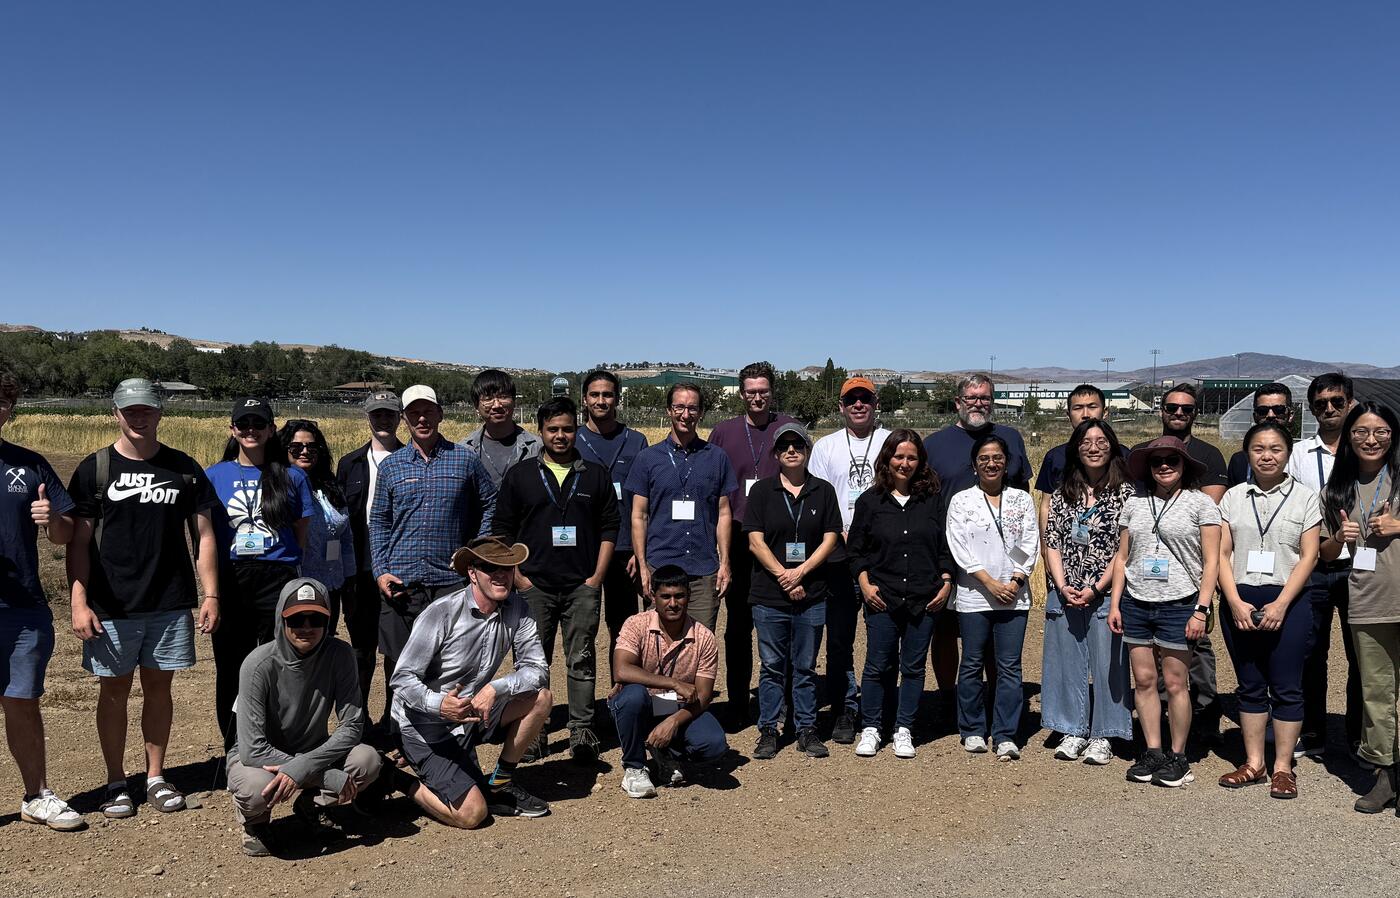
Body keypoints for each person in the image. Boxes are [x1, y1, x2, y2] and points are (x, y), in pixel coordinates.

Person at [66, 378, 221, 817]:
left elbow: (204, 536)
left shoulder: (183, 468)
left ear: (160, 412)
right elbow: (77, 543)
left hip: (168, 602)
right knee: (112, 693)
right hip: (111, 605)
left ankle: (155, 776)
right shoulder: (95, 469)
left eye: (147, 409)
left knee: (159, 690)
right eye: (130, 410)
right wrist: (79, 601)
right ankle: (117, 781)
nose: (139, 417)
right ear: (115, 413)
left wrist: (210, 594)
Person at [388, 537, 553, 827]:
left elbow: (537, 669)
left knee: (541, 698)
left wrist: (494, 688)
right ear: (473, 573)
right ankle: (395, 778)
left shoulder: (518, 608)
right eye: (490, 568)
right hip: (423, 726)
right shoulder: (442, 612)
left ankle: (500, 783)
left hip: (470, 715)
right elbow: (402, 679)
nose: (501, 575)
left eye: (507, 568)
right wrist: (441, 706)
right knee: (473, 814)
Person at [493, 396, 619, 763]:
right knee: (533, 663)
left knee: (581, 658)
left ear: (576, 429)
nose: (561, 436)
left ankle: (582, 730)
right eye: (553, 429)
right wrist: (519, 579)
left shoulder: (594, 475)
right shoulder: (520, 476)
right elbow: (502, 532)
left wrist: (596, 577)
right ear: (541, 431)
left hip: (581, 585)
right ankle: (535, 732)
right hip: (535, 587)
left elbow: (610, 527)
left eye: (567, 429)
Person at [370, 384, 497, 743]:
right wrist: (380, 570)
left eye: (428, 412)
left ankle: (446, 732)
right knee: (399, 662)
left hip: (448, 579)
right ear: (404, 419)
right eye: (414, 414)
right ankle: (400, 733)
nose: (422, 419)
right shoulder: (393, 466)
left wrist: (475, 551)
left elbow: (489, 502)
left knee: (448, 661)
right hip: (402, 580)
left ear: (440, 414)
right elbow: (378, 520)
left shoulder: (465, 459)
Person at [227, 578, 382, 857]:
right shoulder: (257, 664)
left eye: (316, 619)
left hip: (312, 747)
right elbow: (252, 749)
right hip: (260, 760)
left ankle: (313, 805)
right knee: (255, 788)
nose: (307, 627)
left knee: (366, 760)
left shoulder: (340, 654)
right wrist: (324, 774)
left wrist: (304, 768)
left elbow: (352, 725)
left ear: (328, 620)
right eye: (297, 619)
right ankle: (255, 823)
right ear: (281, 620)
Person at [1109, 435, 1221, 789]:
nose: (1164, 466)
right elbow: (1123, 558)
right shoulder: (1134, 503)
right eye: (1157, 461)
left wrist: (1201, 609)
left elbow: (1212, 561)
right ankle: (1152, 750)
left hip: (1181, 603)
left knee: (1175, 683)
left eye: (1172, 459)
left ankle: (1178, 755)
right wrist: (1115, 602)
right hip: (1137, 601)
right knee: (1144, 681)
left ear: (1184, 464)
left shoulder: (1201, 504)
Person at [1216, 421, 1321, 799]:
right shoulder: (1232, 497)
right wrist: (1232, 601)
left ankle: (1283, 767)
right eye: (1258, 448)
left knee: (1287, 685)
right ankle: (1254, 763)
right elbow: (1221, 554)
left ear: (1287, 454)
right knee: (1250, 683)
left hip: (1289, 600)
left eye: (1275, 448)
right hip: (1239, 597)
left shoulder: (1306, 498)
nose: (1267, 455)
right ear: (1247, 453)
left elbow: (1309, 556)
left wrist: (1280, 603)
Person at [0, 372, 83, 832]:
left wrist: (50, 520)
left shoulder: (28, 465)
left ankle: (36, 795)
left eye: (3, 402)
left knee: (22, 701)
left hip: (23, 609)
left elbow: (67, 534)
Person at [206, 397, 314, 745]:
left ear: (271, 430)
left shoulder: (291, 476)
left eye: (258, 424)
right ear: (232, 429)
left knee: (277, 663)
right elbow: (204, 535)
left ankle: (273, 740)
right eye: (243, 424)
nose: (250, 430)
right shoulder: (214, 475)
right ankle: (234, 744)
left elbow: (300, 531)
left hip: (277, 577)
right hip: (233, 577)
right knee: (231, 667)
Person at [925, 374, 1033, 711]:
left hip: (998, 556)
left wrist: (1018, 561)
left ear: (993, 401)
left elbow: (1022, 500)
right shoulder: (935, 444)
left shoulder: (1010, 438)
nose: (978, 403)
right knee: (944, 630)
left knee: (989, 629)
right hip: (946, 553)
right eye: (971, 398)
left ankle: (990, 698)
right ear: (958, 402)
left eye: (984, 397)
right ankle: (947, 700)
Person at [848, 430, 955, 759]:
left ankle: (904, 728)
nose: (904, 463)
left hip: (925, 597)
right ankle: (871, 727)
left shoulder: (932, 500)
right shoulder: (870, 501)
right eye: (898, 456)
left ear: (920, 462)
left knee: (913, 666)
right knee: (878, 665)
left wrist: (947, 582)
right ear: (887, 459)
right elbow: (856, 551)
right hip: (882, 596)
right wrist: (864, 585)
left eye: (911, 457)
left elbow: (944, 548)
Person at [1134, 383, 1229, 745]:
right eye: (1172, 407)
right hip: (1148, 575)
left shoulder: (1210, 456)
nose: (1178, 414)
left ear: (1195, 414)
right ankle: (1160, 716)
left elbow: (1205, 513)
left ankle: (1203, 712)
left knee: (1197, 646)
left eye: (1186, 409)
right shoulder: (1146, 453)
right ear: (1161, 410)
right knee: (1152, 651)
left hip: (1189, 574)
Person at [1320, 401, 1400, 814]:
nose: (1371, 440)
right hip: (1368, 602)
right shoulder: (1337, 490)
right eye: (1361, 432)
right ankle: (1385, 775)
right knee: (1376, 694)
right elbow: (1327, 553)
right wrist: (1340, 536)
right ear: (1348, 438)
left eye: (1381, 431)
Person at [743, 422, 842, 759]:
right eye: (783, 445)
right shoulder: (761, 491)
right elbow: (755, 540)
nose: (790, 450)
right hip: (770, 596)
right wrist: (784, 576)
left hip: (811, 594)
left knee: (805, 666)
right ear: (775, 453)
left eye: (797, 444)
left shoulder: (823, 491)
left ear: (807, 450)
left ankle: (806, 729)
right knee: (771, 666)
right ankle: (769, 729)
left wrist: (800, 572)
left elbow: (831, 538)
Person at [707, 361, 797, 724]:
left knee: (784, 624)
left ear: (772, 392)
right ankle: (738, 701)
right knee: (739, 626)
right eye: (750, 391)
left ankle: (788, 701)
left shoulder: (787, 426)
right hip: (739, 539)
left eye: (763, 391)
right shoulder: (724, 432)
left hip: (778, 541)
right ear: (741, 393)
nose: (757, 397)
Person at [1041, 419, 1135, 766]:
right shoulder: (1065, 489)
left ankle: (1104, 734)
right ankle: (1072, 728)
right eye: (1085, 441)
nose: (1093, 447)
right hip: (1065, 588)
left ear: (1112, 446)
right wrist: (1062, 584)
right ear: (1076, 448)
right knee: (1066, 661)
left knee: (1109, 662)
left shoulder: (1126, 492)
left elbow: (1123, 550)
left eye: (1100, 441)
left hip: (1106, 590)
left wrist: (1097, 588)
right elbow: (1052, 541)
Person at [808, 376, 891, 743]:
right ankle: (845, 707)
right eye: (851, 399)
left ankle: (880, 709)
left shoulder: (890, 442)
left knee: (882, 637)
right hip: (838, 557)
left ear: (875, 404)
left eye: (865, 398)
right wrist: (843, 533)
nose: (859, 404)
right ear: (840, 406)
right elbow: (820, 498)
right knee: (840, 638)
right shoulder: (825, 447)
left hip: (882, 556)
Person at [946, 433, 1039, 761]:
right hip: (974, 595)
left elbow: (1029, 541)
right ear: (974, 464)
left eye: (997, 457)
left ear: (1007, 462)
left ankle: (1005, 734)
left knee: (1009, 666)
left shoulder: (1021, 500)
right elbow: (959, 546)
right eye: (984, 458)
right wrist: (989, 583)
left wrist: (1015, 580)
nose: (991, 463)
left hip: (1014, 596)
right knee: (971, 662)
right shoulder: (962, 501)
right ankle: (972, 729)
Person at [1287, 372, 1361, 759]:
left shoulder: (1365, 447)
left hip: (1362, 566)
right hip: (1313, 564)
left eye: (1336, 402)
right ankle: (1313, 730)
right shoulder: (1299, 454)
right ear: (1312, 407)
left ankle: (1357, 733)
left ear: (1350, 402)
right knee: (1309, 652)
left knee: (1360, 653)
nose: (1329, 409)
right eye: (1321, 404)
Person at [625, 382, 736, 635]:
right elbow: (639, 515)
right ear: (668, 410)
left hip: (703, 571)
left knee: (700, 645)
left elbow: (724, 513)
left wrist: (725, 563)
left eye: (692, 408)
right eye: (679, 407)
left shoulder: (717, 457)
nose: (686, 415)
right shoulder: (648, 459)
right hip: (660, 568)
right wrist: (642, 565)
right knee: (658, 645)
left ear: (701, 412)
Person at [610, 565, 728, 798]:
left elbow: (703, 697)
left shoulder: (704, 636)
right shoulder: (636, 624)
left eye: (679, 596)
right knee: (634, 695)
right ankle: (634, 767)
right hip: (637, 703)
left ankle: (665, 754)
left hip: (674, 706)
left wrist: (673, 722)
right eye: (665, 596)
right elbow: (621, 670)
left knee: (713, 744)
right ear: (653, 596)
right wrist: (673, 683)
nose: (673, 603)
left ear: (688, 597)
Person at [574, 369, 650, 669]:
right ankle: (586, 707)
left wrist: (638, 551)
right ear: (584, 399)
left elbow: (646, 502)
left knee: (623, 629)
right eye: (595, 394)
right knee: (582, 628)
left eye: (607, 394)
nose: (601, 400)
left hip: (624, 551)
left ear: (616, 398)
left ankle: (623, 690)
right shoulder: (573, 439)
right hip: (584, 550)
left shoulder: (636, 441)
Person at [335, 389, 403, 712]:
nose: (384, 419)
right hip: (359, 572)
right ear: (367, 418)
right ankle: (359, 721)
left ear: (399, 417)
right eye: (377, 414)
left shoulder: (411, 459)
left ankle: (394, 718)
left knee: (396, 652)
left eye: (390, 413)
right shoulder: (349, 464)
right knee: (361, 651)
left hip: (399, 570)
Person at [278, 419, 355, 617]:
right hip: (298, 588)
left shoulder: (330, 487)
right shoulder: (279, 489)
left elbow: (345, 537)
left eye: (312, 447)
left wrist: (349, 576)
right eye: (296, 447)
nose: (304, 451)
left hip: (332, 583)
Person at [461, 369, 541, 487]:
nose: (497, 405)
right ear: (476, 405)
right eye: (488, 399)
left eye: (503, 397)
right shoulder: (464, 450)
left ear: (514, 401)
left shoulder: (537, 447)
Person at [1226, 383, 1296, 486]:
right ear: (1255, 416)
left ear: (1290, 415)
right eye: (1263, 411)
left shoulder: (1303, 458)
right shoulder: (1240, 461)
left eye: (1279, 410)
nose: (1270, 415)